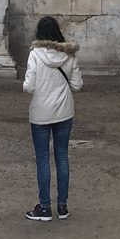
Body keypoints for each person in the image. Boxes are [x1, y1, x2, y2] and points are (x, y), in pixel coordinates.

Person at [22, 15, 82, 221]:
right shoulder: (70, 55)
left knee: (42, 158)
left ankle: (45, 207)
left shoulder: (35, 55)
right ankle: (63, 206)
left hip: (41, 111)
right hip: (64, 110)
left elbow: (29, 86)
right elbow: (77, 85)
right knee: (62, 156)